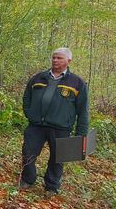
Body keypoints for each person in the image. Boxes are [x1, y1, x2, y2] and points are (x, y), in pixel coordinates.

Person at [19, 47, 89, 194]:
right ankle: (27, 180)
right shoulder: (38, 78)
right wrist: (30, 114)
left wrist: (81, 134)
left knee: (58, 158)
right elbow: (27, 97)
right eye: (54, 57)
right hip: (36, 125)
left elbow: (83, 110)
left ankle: (51, 186)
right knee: (28, 153)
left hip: (61, 128)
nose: (55, 60)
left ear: (68, 61)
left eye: (59, 58)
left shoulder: (77, 82)